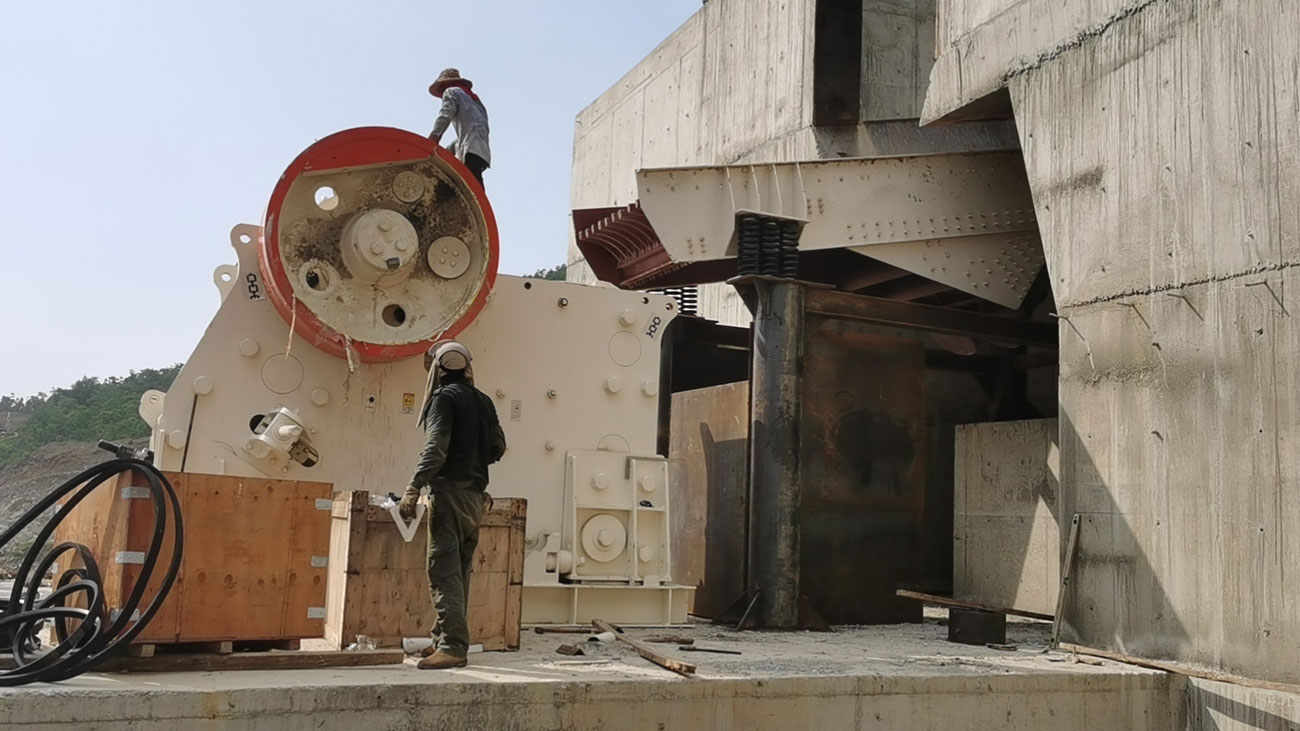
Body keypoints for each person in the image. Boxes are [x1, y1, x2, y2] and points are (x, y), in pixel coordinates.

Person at [399, 341, 507, 669]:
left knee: (443, 570)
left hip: (449, 496)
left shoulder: (443, 399)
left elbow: (436, 448)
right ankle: (441, 638)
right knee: (458, 572)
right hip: (475, 498)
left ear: (436, 368)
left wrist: (414, 486)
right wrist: (473, 458)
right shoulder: (484, 401)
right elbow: (498, 447)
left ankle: (453, 647)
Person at [428, 68, 491, 187]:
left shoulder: (451, 91)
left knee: (466, 187)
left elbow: (445, 115)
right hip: (481, 151)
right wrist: (448, 151)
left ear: (444, 85)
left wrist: (434, 137)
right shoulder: (475, 101)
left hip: (469, 151)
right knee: (475, 186)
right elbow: (469, 133)